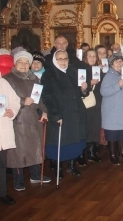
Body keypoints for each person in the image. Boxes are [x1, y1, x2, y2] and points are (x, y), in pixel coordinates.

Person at [3, 51, 51, 191]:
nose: (23, 65)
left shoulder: (34, 78)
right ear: (15, 63)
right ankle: (18, 180)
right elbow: (4, 99)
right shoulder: (8, 79)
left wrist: (44, 111)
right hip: (16, 119)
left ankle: (35, 175)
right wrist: (23, 101)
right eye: (20, 62)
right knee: (17, 152)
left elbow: (39, 99)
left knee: (34, 148)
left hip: (32, 119)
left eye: (26, 62)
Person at [41, 50, 88, 178]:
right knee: (59, 142)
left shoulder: (73, 71)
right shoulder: (48, 74)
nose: (63, 61)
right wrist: (56, 114)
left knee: (74, 141)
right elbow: (47, 96)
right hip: (61, 113)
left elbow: (80, 93)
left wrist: (83, 90)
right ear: (55, 60)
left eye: (65, 59)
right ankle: (58, 168)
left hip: (75, 113)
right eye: (60, 59)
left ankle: (72, 166)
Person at [0, 76, 20, 205]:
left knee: (1, 164)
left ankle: (2, 192)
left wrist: (12, 111)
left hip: (2, 130)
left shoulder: (3, 82)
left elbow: (15, 100)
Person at [82, 49, 102, 163]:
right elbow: (79, 88)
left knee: (95, 128)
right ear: (85, 57)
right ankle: (83, 154)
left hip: (97, 104)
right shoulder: (80, 70)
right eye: (90, 56)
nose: (92, 58)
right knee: (86, 128)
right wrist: (90, 84)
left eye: (94, 56)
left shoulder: (99, 70)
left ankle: (92, 152)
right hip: (85, 104)